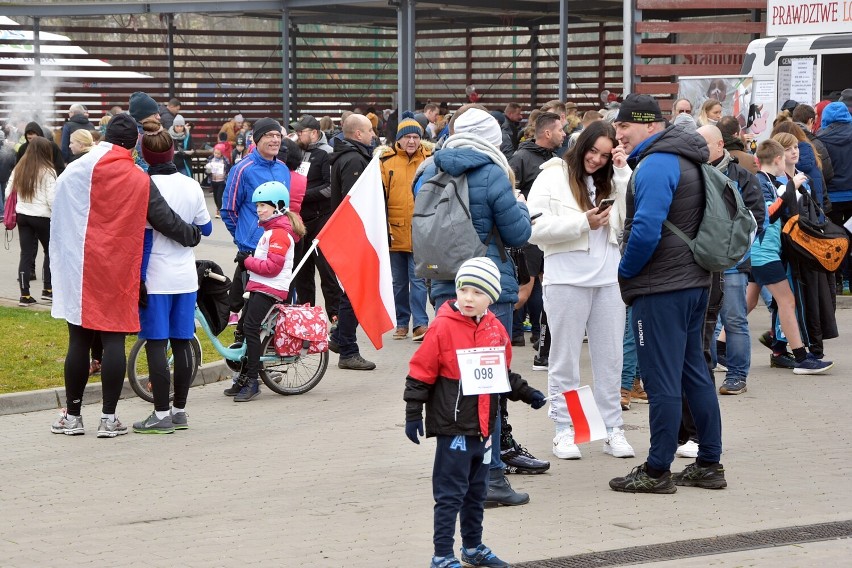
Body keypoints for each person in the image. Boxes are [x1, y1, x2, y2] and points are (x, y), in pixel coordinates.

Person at [49, 113, 202, 438]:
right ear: (134, 143)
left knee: (79, 340)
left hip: (80, 267)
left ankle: (73, 417)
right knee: (113, 339)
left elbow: (58, 210)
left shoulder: (76, 169)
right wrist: (191, 235)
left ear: (103, 136)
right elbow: (164, 219)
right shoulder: (137, 178)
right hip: (119, 269)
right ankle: (108, 418)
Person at [414, 104, 535, 507]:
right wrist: (518, 203)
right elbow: (518, 234)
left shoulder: (427, 170)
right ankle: (492, 478)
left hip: (443, 284)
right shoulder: (492, 173)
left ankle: (457, 472)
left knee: (453, 382)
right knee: (489, 382)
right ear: (492, 138)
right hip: (486, 288)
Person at [608, 93, 725, 494]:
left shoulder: (656, 163)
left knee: (660, 380)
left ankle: (657, 469)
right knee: (694, 372)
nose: (618, 134)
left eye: (624, 126)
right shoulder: (687, 156)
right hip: (694, 281)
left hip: (662, 287)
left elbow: (646, 229)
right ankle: (709, 462)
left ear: (649, 125)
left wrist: (624, 272)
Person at [403, 257, 546, 568]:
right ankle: (442, 555)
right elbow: (420, 372)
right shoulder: (442, 326)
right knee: (449, 494)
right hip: (453, 427)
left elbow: (502, 375)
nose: (468, 298)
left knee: (476, 492)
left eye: (477, 292)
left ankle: (473, 547)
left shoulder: (496, 329)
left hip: (484, 428)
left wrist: (527, 393)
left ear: (492, 297)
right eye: (463, 290)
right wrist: (413, 412)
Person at [527, 119, 635, 460]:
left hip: (608, 278)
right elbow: (533, 228)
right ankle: (564, 428)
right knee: (564, 358)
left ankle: (612, 427)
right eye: (593, 152)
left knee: (610, 357)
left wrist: (620, 172)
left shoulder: (610, 176)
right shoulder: (551, 175)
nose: (597, 160)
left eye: (604, 155)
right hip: (565, 277)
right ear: (581, 145)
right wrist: (581, 223)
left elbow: (631, 214)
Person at [132, 127, 212, 433]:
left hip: (154, 277)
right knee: (182, 344)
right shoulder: (191, 185)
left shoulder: (143, 185)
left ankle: (161, 414)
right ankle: (180, 411)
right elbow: (205, 229)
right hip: (185, 278)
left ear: (145, 155)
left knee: (155, 343)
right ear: (172, 152)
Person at [746, 135, 834, 374]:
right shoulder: (761, 182)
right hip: (764, 253)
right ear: (777, 159)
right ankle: (801, 357)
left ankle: (717, 347)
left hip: (762, 252)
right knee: (787, 301)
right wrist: (790, 188)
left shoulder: (765, 180)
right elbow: (769, 214)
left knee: (749, 302)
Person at [228, 181, 306, 402]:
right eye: (258, 205)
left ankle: (253, 381)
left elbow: (273, 268)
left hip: (271, 288)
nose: (259, 209)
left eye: (264, 205)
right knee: (243, 328)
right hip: (260, 286)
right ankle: (242, 377)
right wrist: (249, 261)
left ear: (279, 206)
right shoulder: (271, 231)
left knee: (251, 329)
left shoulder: (279, 233)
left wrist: (247, 261)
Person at [220, 117, 291, 339]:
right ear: (257, 139)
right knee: (251, 311)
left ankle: (266, 360)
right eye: (269, 135)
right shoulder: (243, 169)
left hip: (279, 249)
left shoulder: (282, 168)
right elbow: (228, 209)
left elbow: (285, 209)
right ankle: (243, 360)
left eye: (278, 135)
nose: (275, 140)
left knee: (273, 309)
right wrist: (243, 238)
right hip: (253, 250)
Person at [378, 111, 433, 342]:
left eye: (415, 137)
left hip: (420, 231)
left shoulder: (430, 160)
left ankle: (420, 324)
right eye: (407, 137)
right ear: (398, 139)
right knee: (398, 283)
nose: (411, 141)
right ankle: (402, 323)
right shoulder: (386, 162)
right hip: (394, 231)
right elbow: (380, 197)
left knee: (418, 280)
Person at [328, 113, 377, 370]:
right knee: (354, 294)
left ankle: (339, 338)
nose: (373, 135)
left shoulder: (349, 156)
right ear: (358, 134)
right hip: (355, 235)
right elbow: (354, 202)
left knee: (352, 292)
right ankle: (347, 349)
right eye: (369, 130)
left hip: (352, 234)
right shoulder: (354, 159)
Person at [289, 114, 340, 323]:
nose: (298, 134)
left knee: (327, 273)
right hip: (301, 221)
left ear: (315, 133)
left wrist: (301, 195)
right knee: (302, 274)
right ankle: (305, 321)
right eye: (297, 131)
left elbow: (330, 189)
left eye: (302, 131)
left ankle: (336, 319)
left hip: (321, 221)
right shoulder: (296, 152)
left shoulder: (327, 153)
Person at [6, 136, 55, 306]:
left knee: (26, 253)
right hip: (43, 216)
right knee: (50, 251)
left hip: (23, 215)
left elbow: (8, 193)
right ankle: (48, 290)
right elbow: (52, 199)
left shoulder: (19, 168)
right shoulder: (48, 170)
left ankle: (24, 294)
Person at [205, 143, 230, 218]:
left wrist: (226, 174)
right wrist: (208, 170)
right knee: (215, 196)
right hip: (213, 180)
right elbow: (206, 171)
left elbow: (228, 169)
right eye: (215, 153)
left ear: (222, 153)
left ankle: (219, 210)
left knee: (219, 196)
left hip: (221, 181)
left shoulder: (225, 160)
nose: (216, 155)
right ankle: (218, 207)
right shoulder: (210, 159)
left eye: (218, 153)